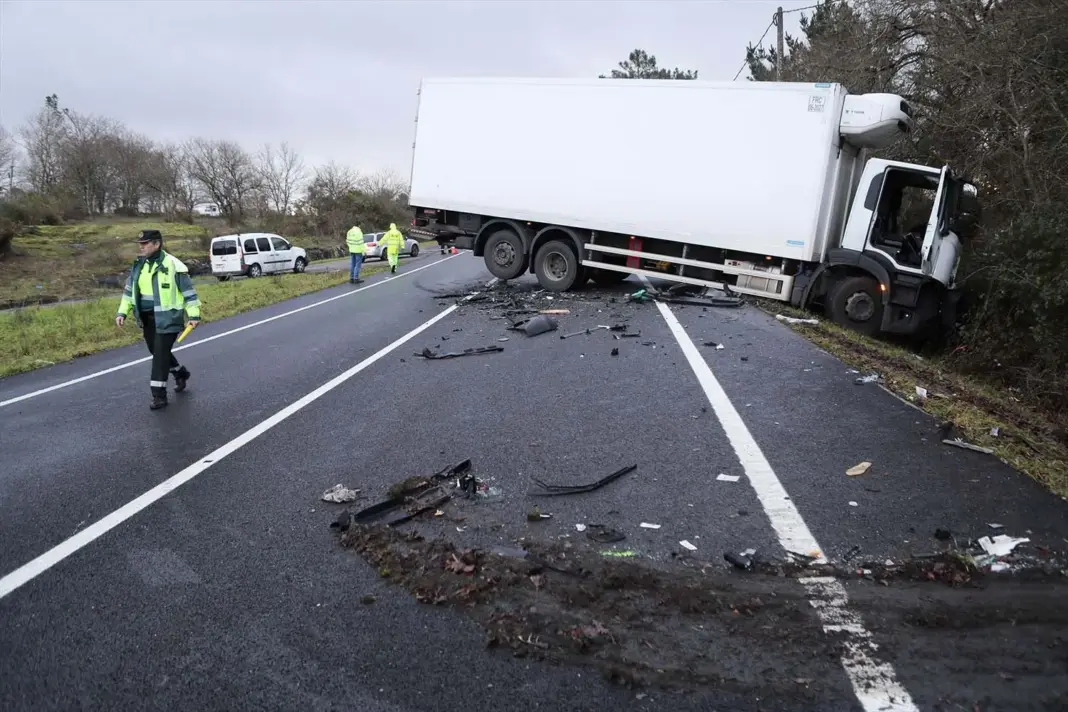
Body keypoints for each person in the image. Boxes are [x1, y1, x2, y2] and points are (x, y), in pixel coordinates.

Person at [115, 229, 201, 411]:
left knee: (160, 357)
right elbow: (129, 292)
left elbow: (189, 294)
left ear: (157, 244)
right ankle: (180, 373)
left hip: (169, 318)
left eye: (145, 243)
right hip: (147, 318)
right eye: (140, 244)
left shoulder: (173, 265)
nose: (142, 247)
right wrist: (122, 312)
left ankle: (159, 396)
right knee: (156, 351)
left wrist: (193, 315)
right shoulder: (139, 265)